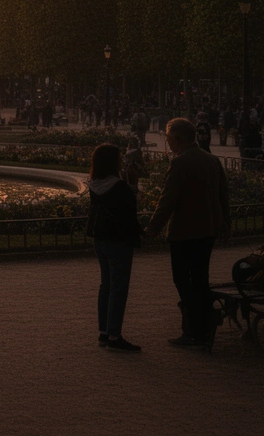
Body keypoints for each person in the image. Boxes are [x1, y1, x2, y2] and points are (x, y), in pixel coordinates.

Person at [145, 117, 230, 348]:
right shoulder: (211, 159)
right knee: (200, 278)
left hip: (186, 230)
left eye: (169, 138)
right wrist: (226, 224)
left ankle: (195, 328)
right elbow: (223, 195)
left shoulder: (181, 162)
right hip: (208, 228)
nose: (168, 143)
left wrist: (153, 227)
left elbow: (168, 200)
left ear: (178, 138)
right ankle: (203, 326)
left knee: (182, 279)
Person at [86, 144, 142, 352]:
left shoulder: (94, 184)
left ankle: (104, 332)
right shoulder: (119, 186)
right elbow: (130, 210)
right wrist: (133, 184)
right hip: (118, 240)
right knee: (119, 288)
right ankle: (114, 336)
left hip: (100, 238)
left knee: (106, 286)